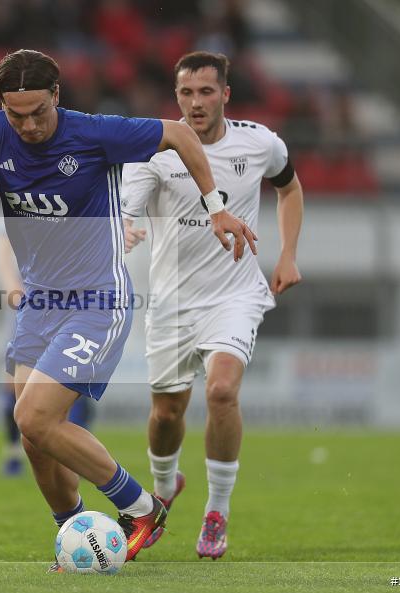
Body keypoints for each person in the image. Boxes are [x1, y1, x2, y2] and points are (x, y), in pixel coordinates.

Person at [0, 49, 255, 569]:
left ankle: (142, 508)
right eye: (17, 114)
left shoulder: (93, 132)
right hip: (39, 305)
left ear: (57, 96)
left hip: (95, 302)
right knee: (35, 436)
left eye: (38, 111)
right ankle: (74, 535)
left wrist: (216, 207)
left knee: (34, 416)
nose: (29, 124)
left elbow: (178, 134)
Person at [121, 51, 303, 559]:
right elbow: (127, 208)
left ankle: (216, 511)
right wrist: (129, 227)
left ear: (225, 94)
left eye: (206, 92)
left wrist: (287, 253)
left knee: (222, 392)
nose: (195, 102)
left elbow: (289, 188)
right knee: (165, 413)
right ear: (175, 96)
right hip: (173, 302)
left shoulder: (259, 142)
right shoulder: (156, 150)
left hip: (235, 295)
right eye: (186, 93)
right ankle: (163, 488)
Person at [0, 235, 92, 477]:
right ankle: (13, 449)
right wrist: (11, 288)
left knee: (72, 379)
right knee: (14, 384)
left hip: (71, 303)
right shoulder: (20, 200)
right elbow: (3, 251)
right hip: (30, 303)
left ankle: (72, 454)